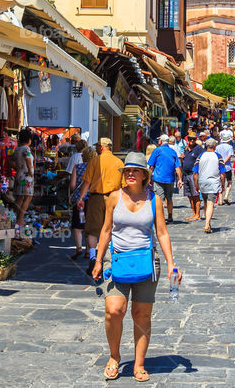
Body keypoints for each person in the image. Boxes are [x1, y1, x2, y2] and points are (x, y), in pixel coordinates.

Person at [93, 153, 176, 383]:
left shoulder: (154, 200)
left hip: (147, 262)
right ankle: (114, 357)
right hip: (117, 260)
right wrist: (99, 260)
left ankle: (139, 364)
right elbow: (106, 230)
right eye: (127, 170)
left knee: (142, 314)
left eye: (135, 170)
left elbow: (161, 232)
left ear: (144, 175)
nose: (130, 174)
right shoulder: (113, 197)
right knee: (114, 310)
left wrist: (171, 264)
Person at [78, 137, 125, 275]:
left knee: (92, 229)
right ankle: (109, 258)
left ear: (102, 147)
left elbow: (86, 182)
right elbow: (123, 185)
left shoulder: (94, 161)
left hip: (96, 198)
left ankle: (93, 257)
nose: (97, 148)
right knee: (112, 228)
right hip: (114, 198)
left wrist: (81, 198)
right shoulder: (118, 162)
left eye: (98, 146)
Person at [148, 134, 181, 223]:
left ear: (161, 141)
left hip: (159, 178)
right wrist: (180, 179)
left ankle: (160, 217)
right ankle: (170, 216)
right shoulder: (172, 152)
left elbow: (151, 166)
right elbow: (177, 167)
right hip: (170, 179)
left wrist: (149, 178)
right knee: (169, 198)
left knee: (159, 199)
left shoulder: (157, 151)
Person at [197, 138, 222, 233]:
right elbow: (222, 172)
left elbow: (195, 172)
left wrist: (196, 183)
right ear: (214, 146)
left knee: (205, 202)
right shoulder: (218, 156)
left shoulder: (200, 156)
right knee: (210, 203)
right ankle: (207, 224)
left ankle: (208, 223)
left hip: (202, 182)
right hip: (213, 182)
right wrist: (223, 184)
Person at [12, 129, 35, 227]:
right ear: (29, 139)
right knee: (28, 197)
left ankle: (15, 217)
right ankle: (20, 219)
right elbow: (28, 160)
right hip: (26, 177)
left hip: (19, 176)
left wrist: (18, 168)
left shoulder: (17, 149)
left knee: (20, 197)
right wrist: (30, 171)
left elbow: (11, 161)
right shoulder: (26, 149)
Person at [180, 132, 204, 221]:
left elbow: (203, 157)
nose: (192, 141)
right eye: (190, 139)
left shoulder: (198, 149)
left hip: (193, 175)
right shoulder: (186, 149)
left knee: (195, 195)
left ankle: (197, 214)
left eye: (194, 139)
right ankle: (193, 213)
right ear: (188, 140)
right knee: (189, 196)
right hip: (186, 175)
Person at [215, 131, 235, 205]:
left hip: (219, 167)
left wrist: (220, 162)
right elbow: (230, 156)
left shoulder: (217, 147)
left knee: (220, 183)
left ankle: (220, 200)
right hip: (227, 167)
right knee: (229, 182)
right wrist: (224, 162)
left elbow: (216, 155)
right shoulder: (230, 147)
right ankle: (226, 196)